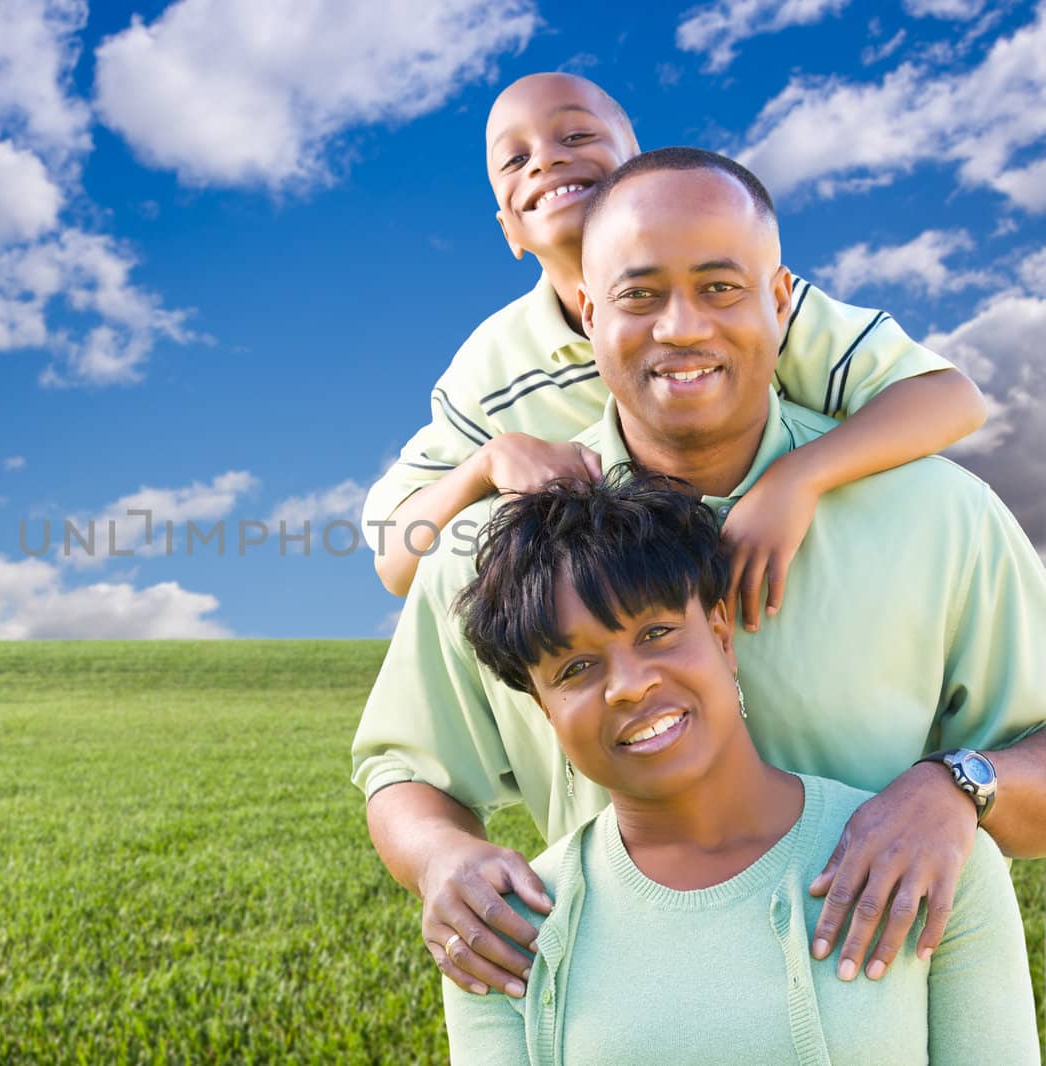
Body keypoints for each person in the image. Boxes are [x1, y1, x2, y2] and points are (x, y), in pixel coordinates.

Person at [353, 148, 1046, 1007]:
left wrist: (961, 787)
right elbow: (406, 768)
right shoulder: (491, 549)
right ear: (586, 308)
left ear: (781, 299)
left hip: (888, 1016)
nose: (680, 327)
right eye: (639, 295)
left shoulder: (941, 514)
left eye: (720, 287)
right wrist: (441, 859)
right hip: (625, 1021)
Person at [440, 474, 1038, 1065]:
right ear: (545, 711)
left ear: (722, 635)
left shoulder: (930, 856)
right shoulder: (500, 929)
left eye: (657, 632)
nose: (629, 685)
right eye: (575, 669)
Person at [363, 73, 986, 641]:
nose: (547, 159)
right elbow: (398, 559)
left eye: (576, 134)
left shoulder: (748, 305)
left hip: (801, 604)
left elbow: (949, 398)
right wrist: (486, 464)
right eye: (516, 158)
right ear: (509, 231)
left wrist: (798, 478)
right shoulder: (493, 367)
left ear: (642, 170)